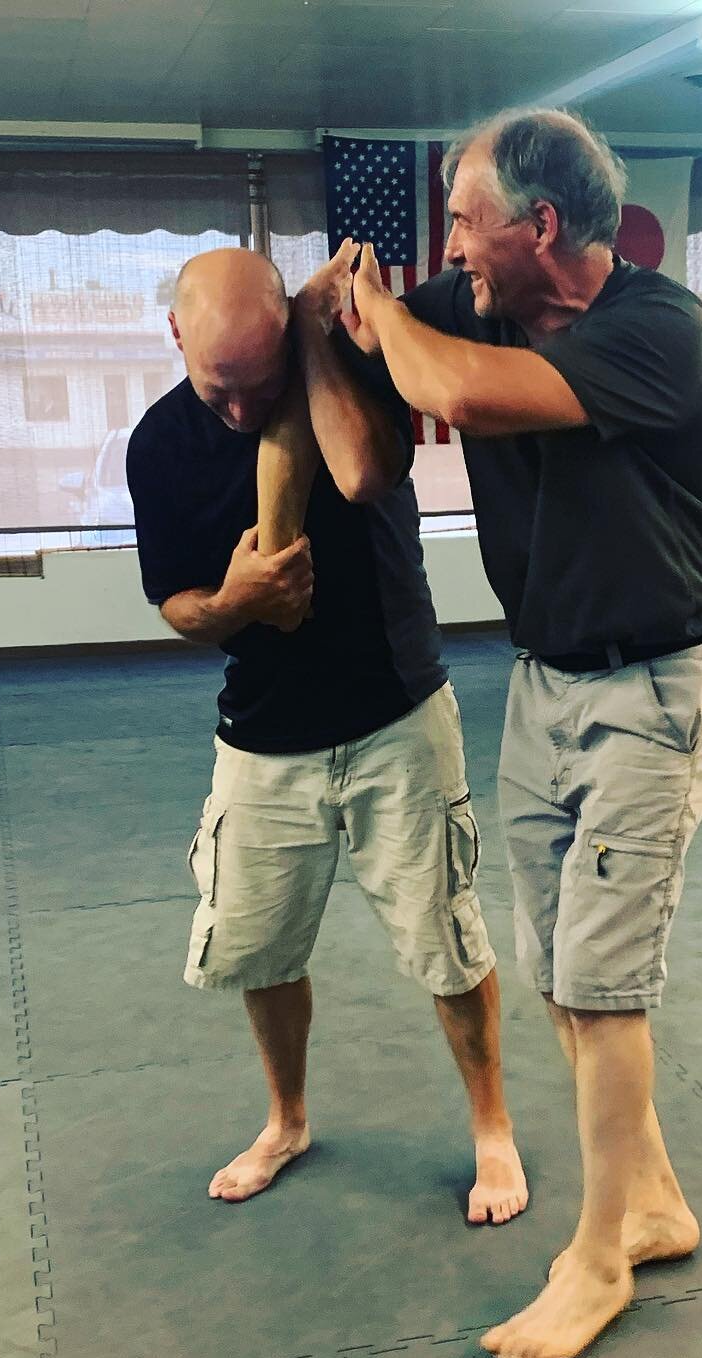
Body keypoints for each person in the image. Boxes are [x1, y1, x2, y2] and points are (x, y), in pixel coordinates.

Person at [345, 109, 702, 1358]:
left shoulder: (657, 328)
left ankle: (598, 1256)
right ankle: (658, 1202)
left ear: (543, 226)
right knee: (568, 979)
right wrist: (342, 296)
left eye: (466, 219)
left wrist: (381, 305)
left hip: (659, 682)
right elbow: (372, 339)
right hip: (543, 684)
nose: (450, 246)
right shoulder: (479, 300)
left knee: (605, 988)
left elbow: (452, 390)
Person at [125, 244, 528, 1226]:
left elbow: (362, 474)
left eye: (256, 383)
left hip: (395, 715)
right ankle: (287, 1120)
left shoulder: (346, 381)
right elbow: (178, 605)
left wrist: (313, 344)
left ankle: (492, 1129)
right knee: (259, 951)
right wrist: (235, 599)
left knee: (445, 940)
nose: (237, 411)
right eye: (219, 388)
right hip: (261, 739)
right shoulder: (159, 447)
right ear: (175, 336)